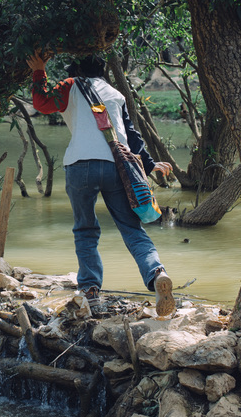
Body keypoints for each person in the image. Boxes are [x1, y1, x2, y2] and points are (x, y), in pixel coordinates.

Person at [27, 51, 177, 316]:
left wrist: (39, 71)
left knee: (85, 229)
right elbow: (130, 134)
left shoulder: (71, 85)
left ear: (76, 68)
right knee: (132, 229)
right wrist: (151, 164)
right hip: (115, 166)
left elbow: (41, 102)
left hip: (80, 165)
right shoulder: (116, 94)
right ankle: (157, 273)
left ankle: (90, 289)